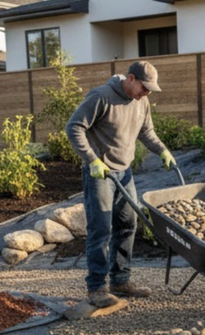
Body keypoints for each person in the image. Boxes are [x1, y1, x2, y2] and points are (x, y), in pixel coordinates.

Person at [67, 60, 176, 308]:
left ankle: (120, 280)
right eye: (144, 87)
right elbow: (73, 127)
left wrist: (162, 151)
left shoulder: (142, 102)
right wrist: (92, 160)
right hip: (101, 174)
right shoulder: (101, 96)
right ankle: (97, 288)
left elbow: (146, 132)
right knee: (101, 228)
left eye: (150, 89)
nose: (146, 93)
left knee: (129, 223)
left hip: (124, 173)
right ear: (130, 79)